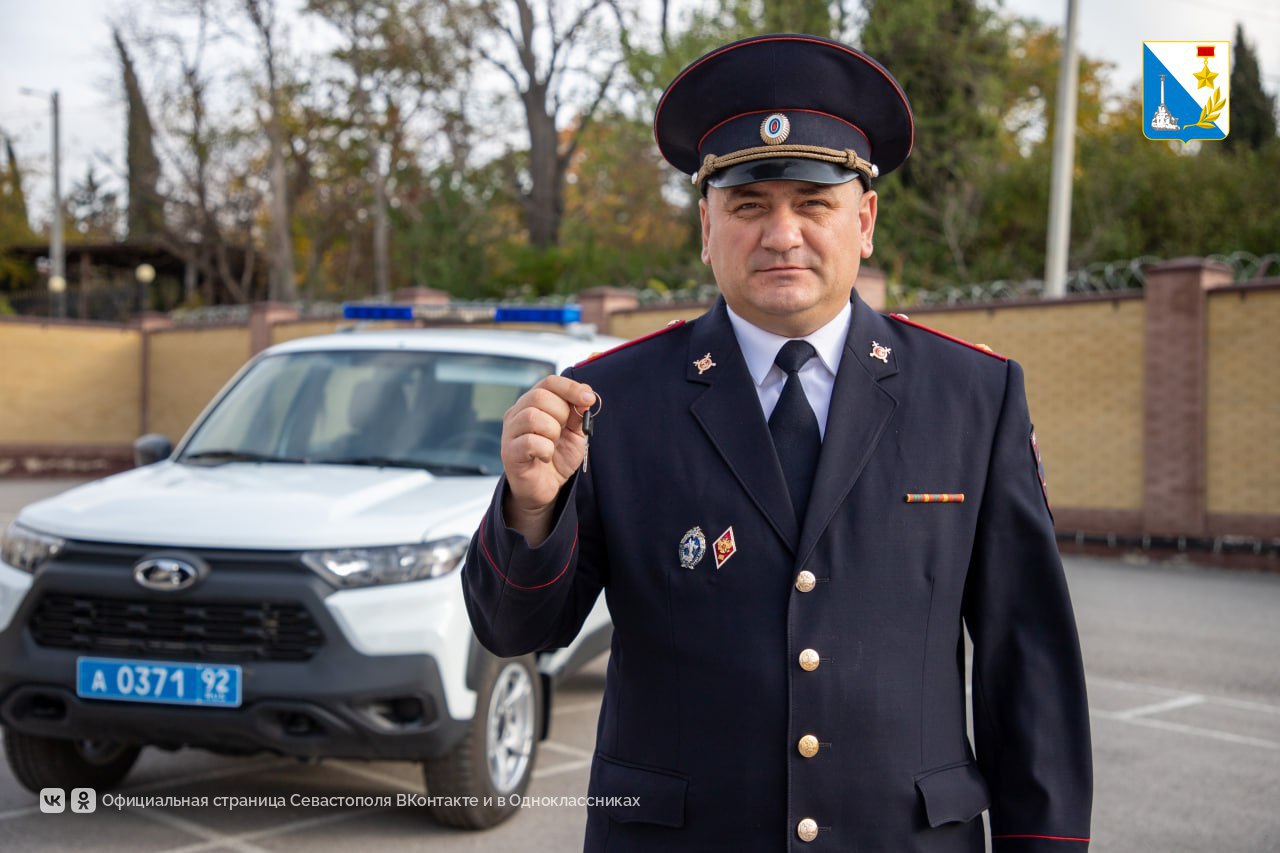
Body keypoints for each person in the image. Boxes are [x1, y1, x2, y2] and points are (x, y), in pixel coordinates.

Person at [462, 33, 1092, 852]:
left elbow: (1028, 660)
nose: (781, 234)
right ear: (707, 225)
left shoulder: (972, 395)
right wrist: (531, 507)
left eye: (813, 202)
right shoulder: (612, 402)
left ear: (863, 220)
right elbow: (519, 632)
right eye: (749, 205)